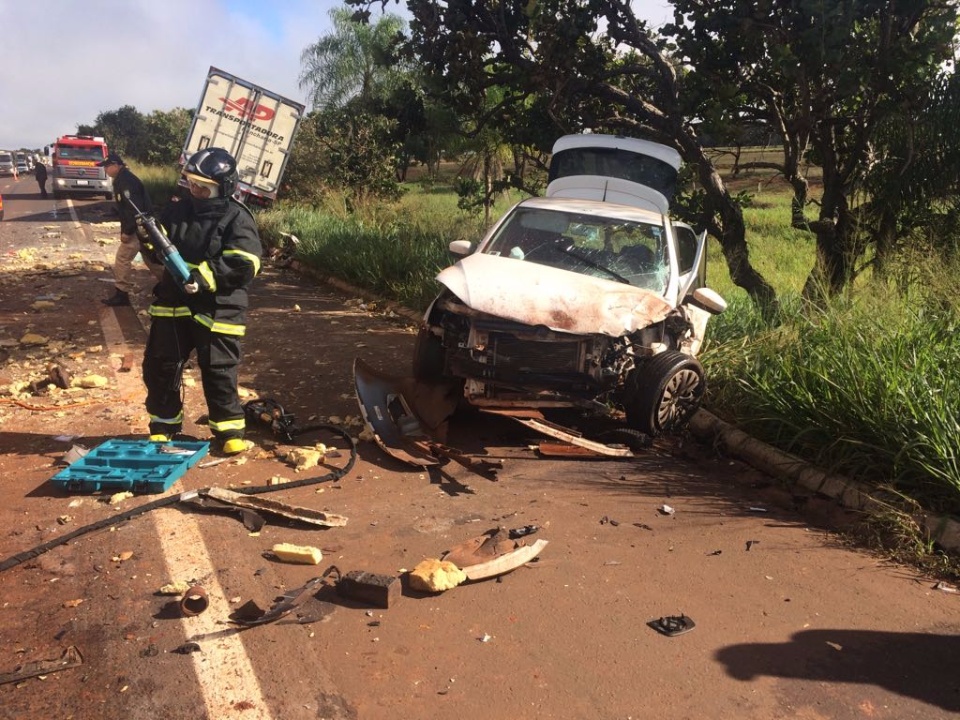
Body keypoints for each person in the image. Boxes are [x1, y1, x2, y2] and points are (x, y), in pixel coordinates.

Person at [143, 148, 262, 456]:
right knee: (162, 365)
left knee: (219, 370)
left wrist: (205, 276)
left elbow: (245, 262)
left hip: (220, 305)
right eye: (191, 184)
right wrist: (149, 240)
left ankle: (229, 430)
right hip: (174, 303)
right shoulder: (177, 211)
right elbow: (160, 244)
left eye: (201, 187)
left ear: (222, 188)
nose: (194, 191)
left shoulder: (237, 217)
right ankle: (163, 426)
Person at [98, 153, 164, 306]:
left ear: (116, 165)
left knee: (122, 258)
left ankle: (122, 294)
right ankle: (173, 287)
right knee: (152, 260)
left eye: (107, 166)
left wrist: (127, 232)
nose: (106, 170)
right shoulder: (124, 179)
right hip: (145, 228)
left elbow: (132, 209)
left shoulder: (125, 181)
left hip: (138, 228)